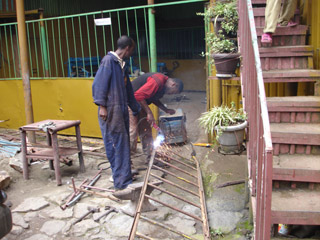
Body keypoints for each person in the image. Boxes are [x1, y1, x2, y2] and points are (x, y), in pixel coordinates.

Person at [92, 36, 141, 190]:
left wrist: (135, 108)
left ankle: (123, 177)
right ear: (127, 48)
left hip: (120, 108)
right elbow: (98, 84)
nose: (131, 53)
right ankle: (121, 181)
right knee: (116, 144)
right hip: (111, 109)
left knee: (122, 143)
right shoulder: (108, 61)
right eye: (131, 50)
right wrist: (102, 106)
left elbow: (128, 90)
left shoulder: (121, 65)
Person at [129, 72, 183, 162]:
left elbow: (153, 98)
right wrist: (149, 113)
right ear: (174, 84)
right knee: (133, 131)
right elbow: (138, 95)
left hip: (139, 103)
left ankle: (150, 157)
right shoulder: (158, 80)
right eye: (173, 92)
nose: (170, 94)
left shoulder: (162, 86)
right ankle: (127, 163)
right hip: (129, 102)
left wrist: (166, 109)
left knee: (146, 130)